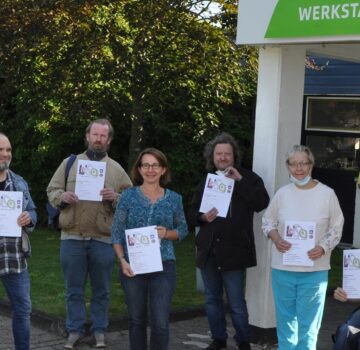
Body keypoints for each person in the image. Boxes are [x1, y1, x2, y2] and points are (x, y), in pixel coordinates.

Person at [46, 119, 132, 349]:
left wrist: (115, 197)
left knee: (101, 290)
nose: (98, 139)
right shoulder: (69, 163)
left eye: (103, 136)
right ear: (87, 136)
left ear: (109, 140)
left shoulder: (116, 170)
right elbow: (52, 189)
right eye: (95, 134)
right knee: (73, 290)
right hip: (72, 237)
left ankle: (99, 331)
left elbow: (131, 201)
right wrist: (61, 197)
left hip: (103, 239)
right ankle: (74, 331)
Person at [189, 132, 270, 350]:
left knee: (236, 303)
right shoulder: (206, 180)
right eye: (219, 154)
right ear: (212, 156)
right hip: (209, 251)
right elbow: (191, 213)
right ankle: (219, 339)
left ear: (234, 155)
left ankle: (243, 341)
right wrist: (202, 218)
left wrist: (240, 181)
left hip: (235, 251)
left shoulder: (249, 178)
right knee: (212, 300)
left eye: (227, 153)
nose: (223, 157)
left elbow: (261, 202)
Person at [262, 145, 344, 350]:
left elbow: (336, 226)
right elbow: (267, 222)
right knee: (286, 323)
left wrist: (323, 248)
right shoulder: (282, 194)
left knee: (309, 327)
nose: (299, 168)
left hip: (314, 271)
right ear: (288, 167)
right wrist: (276, 238)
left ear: (311, 165)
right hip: (283, 269)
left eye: (303, 163)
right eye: (294, 164)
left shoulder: (327, 194)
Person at [111, 148, 188, 350]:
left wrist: (167, 234)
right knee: (136, 320)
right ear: (139, 169)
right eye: (145, 165)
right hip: (133, 267)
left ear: (163, 170)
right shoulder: (127, 197)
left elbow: (183, 229)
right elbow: (117, 232)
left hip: (164, 266)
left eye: (155, 165)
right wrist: (122, 260)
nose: (150, 170)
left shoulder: (174, 199)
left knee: (160, 323)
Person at [0, 132, 37, 350]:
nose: (5, 155)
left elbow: (33, 211)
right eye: (1, 150)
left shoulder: (19, 182)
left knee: (22, 310)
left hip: (13, 257)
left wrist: (29, 217)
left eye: (8, 150)